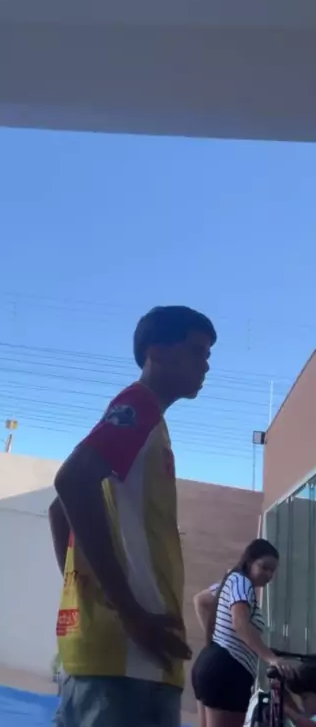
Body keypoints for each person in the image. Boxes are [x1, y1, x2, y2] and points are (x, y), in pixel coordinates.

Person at [49, 305, 217, 727]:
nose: (206, 365)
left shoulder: (150, 423)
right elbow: (71, 482)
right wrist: (126, 611)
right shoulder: (138, 405)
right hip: (129, 662)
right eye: (197, 351)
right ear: (156, 352)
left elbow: (58, 510)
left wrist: (93, 597)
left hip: (121, 658)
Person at [191, 539, 293, 727]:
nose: (269, 574)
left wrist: (216, 638)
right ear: (249, 561)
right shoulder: (242, 582)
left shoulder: (232, 580)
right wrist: (271, 658)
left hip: (211, 664)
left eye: (272, 571)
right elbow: (240, 623)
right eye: (264, 567)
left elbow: (201, 600)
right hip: (228, 670)